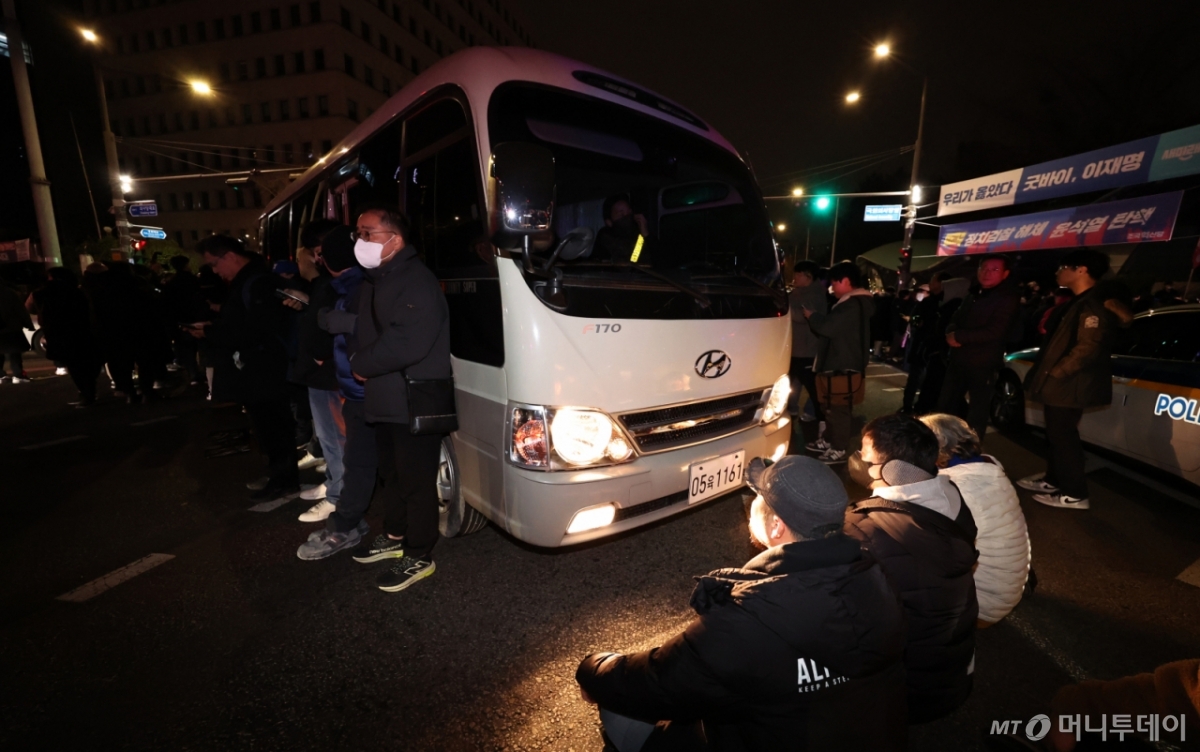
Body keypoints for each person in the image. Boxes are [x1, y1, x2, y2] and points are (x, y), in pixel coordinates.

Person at [576, 455, 908, 752]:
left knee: (618, 709)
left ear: (776, 527)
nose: (750, 506)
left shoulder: (746, 620)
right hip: (868, 736)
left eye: (757, 499)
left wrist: (594, 667)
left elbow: (655, 683)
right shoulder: (875, 578)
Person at [844, 413, 979, 723]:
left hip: (906, 695)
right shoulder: (951, 495)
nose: (858, 458)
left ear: (895, 470)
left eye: (865, 454)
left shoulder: (866, 528)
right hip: (951, 675)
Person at [347, 208, 452, 592]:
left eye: (369, 233)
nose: (361, 241)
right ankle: (395, 535)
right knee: (391, 474)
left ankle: (419, 553)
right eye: (358, 233)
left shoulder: (416, 280)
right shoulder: (379, 278)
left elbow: (407, 341)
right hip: (386, 396)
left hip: (413, 398)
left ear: (396, 239)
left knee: (415, 481)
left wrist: (362, 364)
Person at [191, 235, 300, 501]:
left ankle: (284, 480)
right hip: (259, 366)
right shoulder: (250, 279)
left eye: (214, 264)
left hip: (266, 367)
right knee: (266, 426)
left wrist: (211, 332)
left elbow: (256, 329)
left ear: (230, 256)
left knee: (273, 426)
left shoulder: (258, 281)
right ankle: (278, 475)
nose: (215, 271)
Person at [297, 227, 377, 559]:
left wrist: (335, 324)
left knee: (352, 454)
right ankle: (351, 517)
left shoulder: (361, 285)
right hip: (353, 385)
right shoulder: (349, 285)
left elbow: (371, 332)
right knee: (356, 456)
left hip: (358, 386)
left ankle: (345, 517)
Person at [1016, 249, 1117, 511]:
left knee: (1063, 437)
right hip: (1064, 382)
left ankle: (1075, 493)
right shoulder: (1078, 301)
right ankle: (1053, 480)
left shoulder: (1091, 304)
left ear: (1081, 270)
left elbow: (1088, 348)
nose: (1058, 272)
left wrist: (1057, 373)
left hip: (1070, 383)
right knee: (1056, 434)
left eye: (1063, 267)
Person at [920, 413, 1029, 626]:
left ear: (937, 445)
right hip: (1007, 589)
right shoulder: (987, 467)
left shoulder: (955, 487)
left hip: (982, 605)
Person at [286, 218, 347, 523]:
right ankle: (335, 484)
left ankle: (339, 494)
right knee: (329, 436)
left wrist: (321, 356)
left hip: (327, 375)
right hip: (320, 373)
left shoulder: (333, 282)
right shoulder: (324, 284)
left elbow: (327, 328)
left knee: (334, 437)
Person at [937, 254, 1022, 441]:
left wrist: (958, 336)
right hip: (958, 359)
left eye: (994, 269)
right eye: (984, 268)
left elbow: (996, 331)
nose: (987, 273)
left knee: (977, 411)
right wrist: (951, 332)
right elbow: (955, 318)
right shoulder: (973, 294)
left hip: (983, 363)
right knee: (946, 405)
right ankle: (942, 443)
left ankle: (971, 449)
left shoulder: (1007, 298)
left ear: (1005, 274)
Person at [800, 260, 873, 464]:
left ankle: (839, 448)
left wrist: (813, 316)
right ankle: (829, 440)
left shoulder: (851, 305)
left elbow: (828, 328)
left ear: (846, 281)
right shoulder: (854, 303)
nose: (832, 287)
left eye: (835, 282)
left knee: (838, 410)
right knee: (831, 408)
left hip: (842, 366)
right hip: (841, 363)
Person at [31, 268, 103, 406]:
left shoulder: (43, 293)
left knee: (74, 364)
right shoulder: (78, 291)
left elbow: (32, 308)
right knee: (85, 362)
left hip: (59, 332)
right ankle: (89, 390)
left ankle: (86, 393)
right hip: (82, 330)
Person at [787, 261, 826, 425]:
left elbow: (803, 317)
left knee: (811, 386)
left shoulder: (815, 294)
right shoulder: (799, 292)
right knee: (793, 382)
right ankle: (792, 409)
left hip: (806, 349)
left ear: (808, 276)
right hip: (796, 347)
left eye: (798, 274)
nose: (795, 277)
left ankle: (818, 416)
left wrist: (785, 308)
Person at [901, 273, 944, 414]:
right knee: (917, 377)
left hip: (928, 346)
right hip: (924, 346)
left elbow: (915, 319)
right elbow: (915, 318)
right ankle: (911, 406)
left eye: (933, 280)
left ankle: (915, 407)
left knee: (921, 378)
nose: (931, 284)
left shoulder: (943, 303)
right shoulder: (930, 302)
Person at [592, 194, 649, 264]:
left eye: (629, 212)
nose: (627, 217)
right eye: (621, 214)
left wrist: (646, 235)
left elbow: (658, 259)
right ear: (609, 222)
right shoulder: (605, 237)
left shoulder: (641, 234)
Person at [0, 282, 33, 382]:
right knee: (14, 352)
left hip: (6, 327)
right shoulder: (9, 293)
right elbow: (20, 309)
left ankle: (1, 375)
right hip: (11, 327)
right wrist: (27, 323)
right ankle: (18, 374)